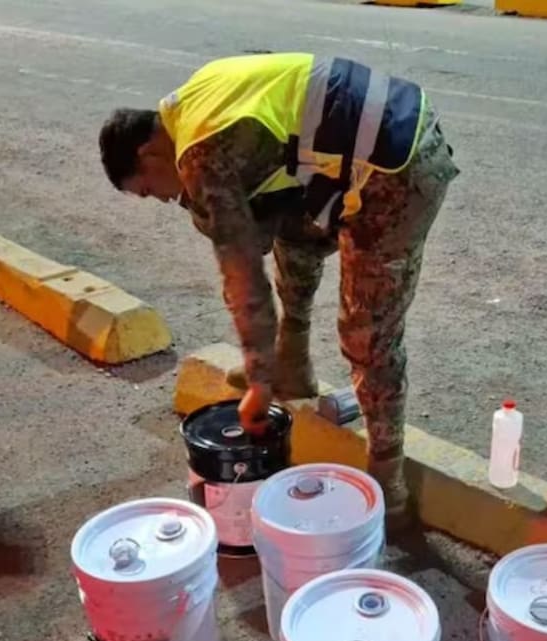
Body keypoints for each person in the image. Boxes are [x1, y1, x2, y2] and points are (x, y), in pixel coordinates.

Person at [99, 53, 458, 533]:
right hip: (381, 132)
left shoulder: (200, 153)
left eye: (149, 190)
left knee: (367, 331)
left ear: (149, 155)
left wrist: (258, 383)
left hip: (399, 165)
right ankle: (294, 365)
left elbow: (243, 278)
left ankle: (387, 485)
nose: (164, 199)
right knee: (296, 235)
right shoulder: (194, 101)